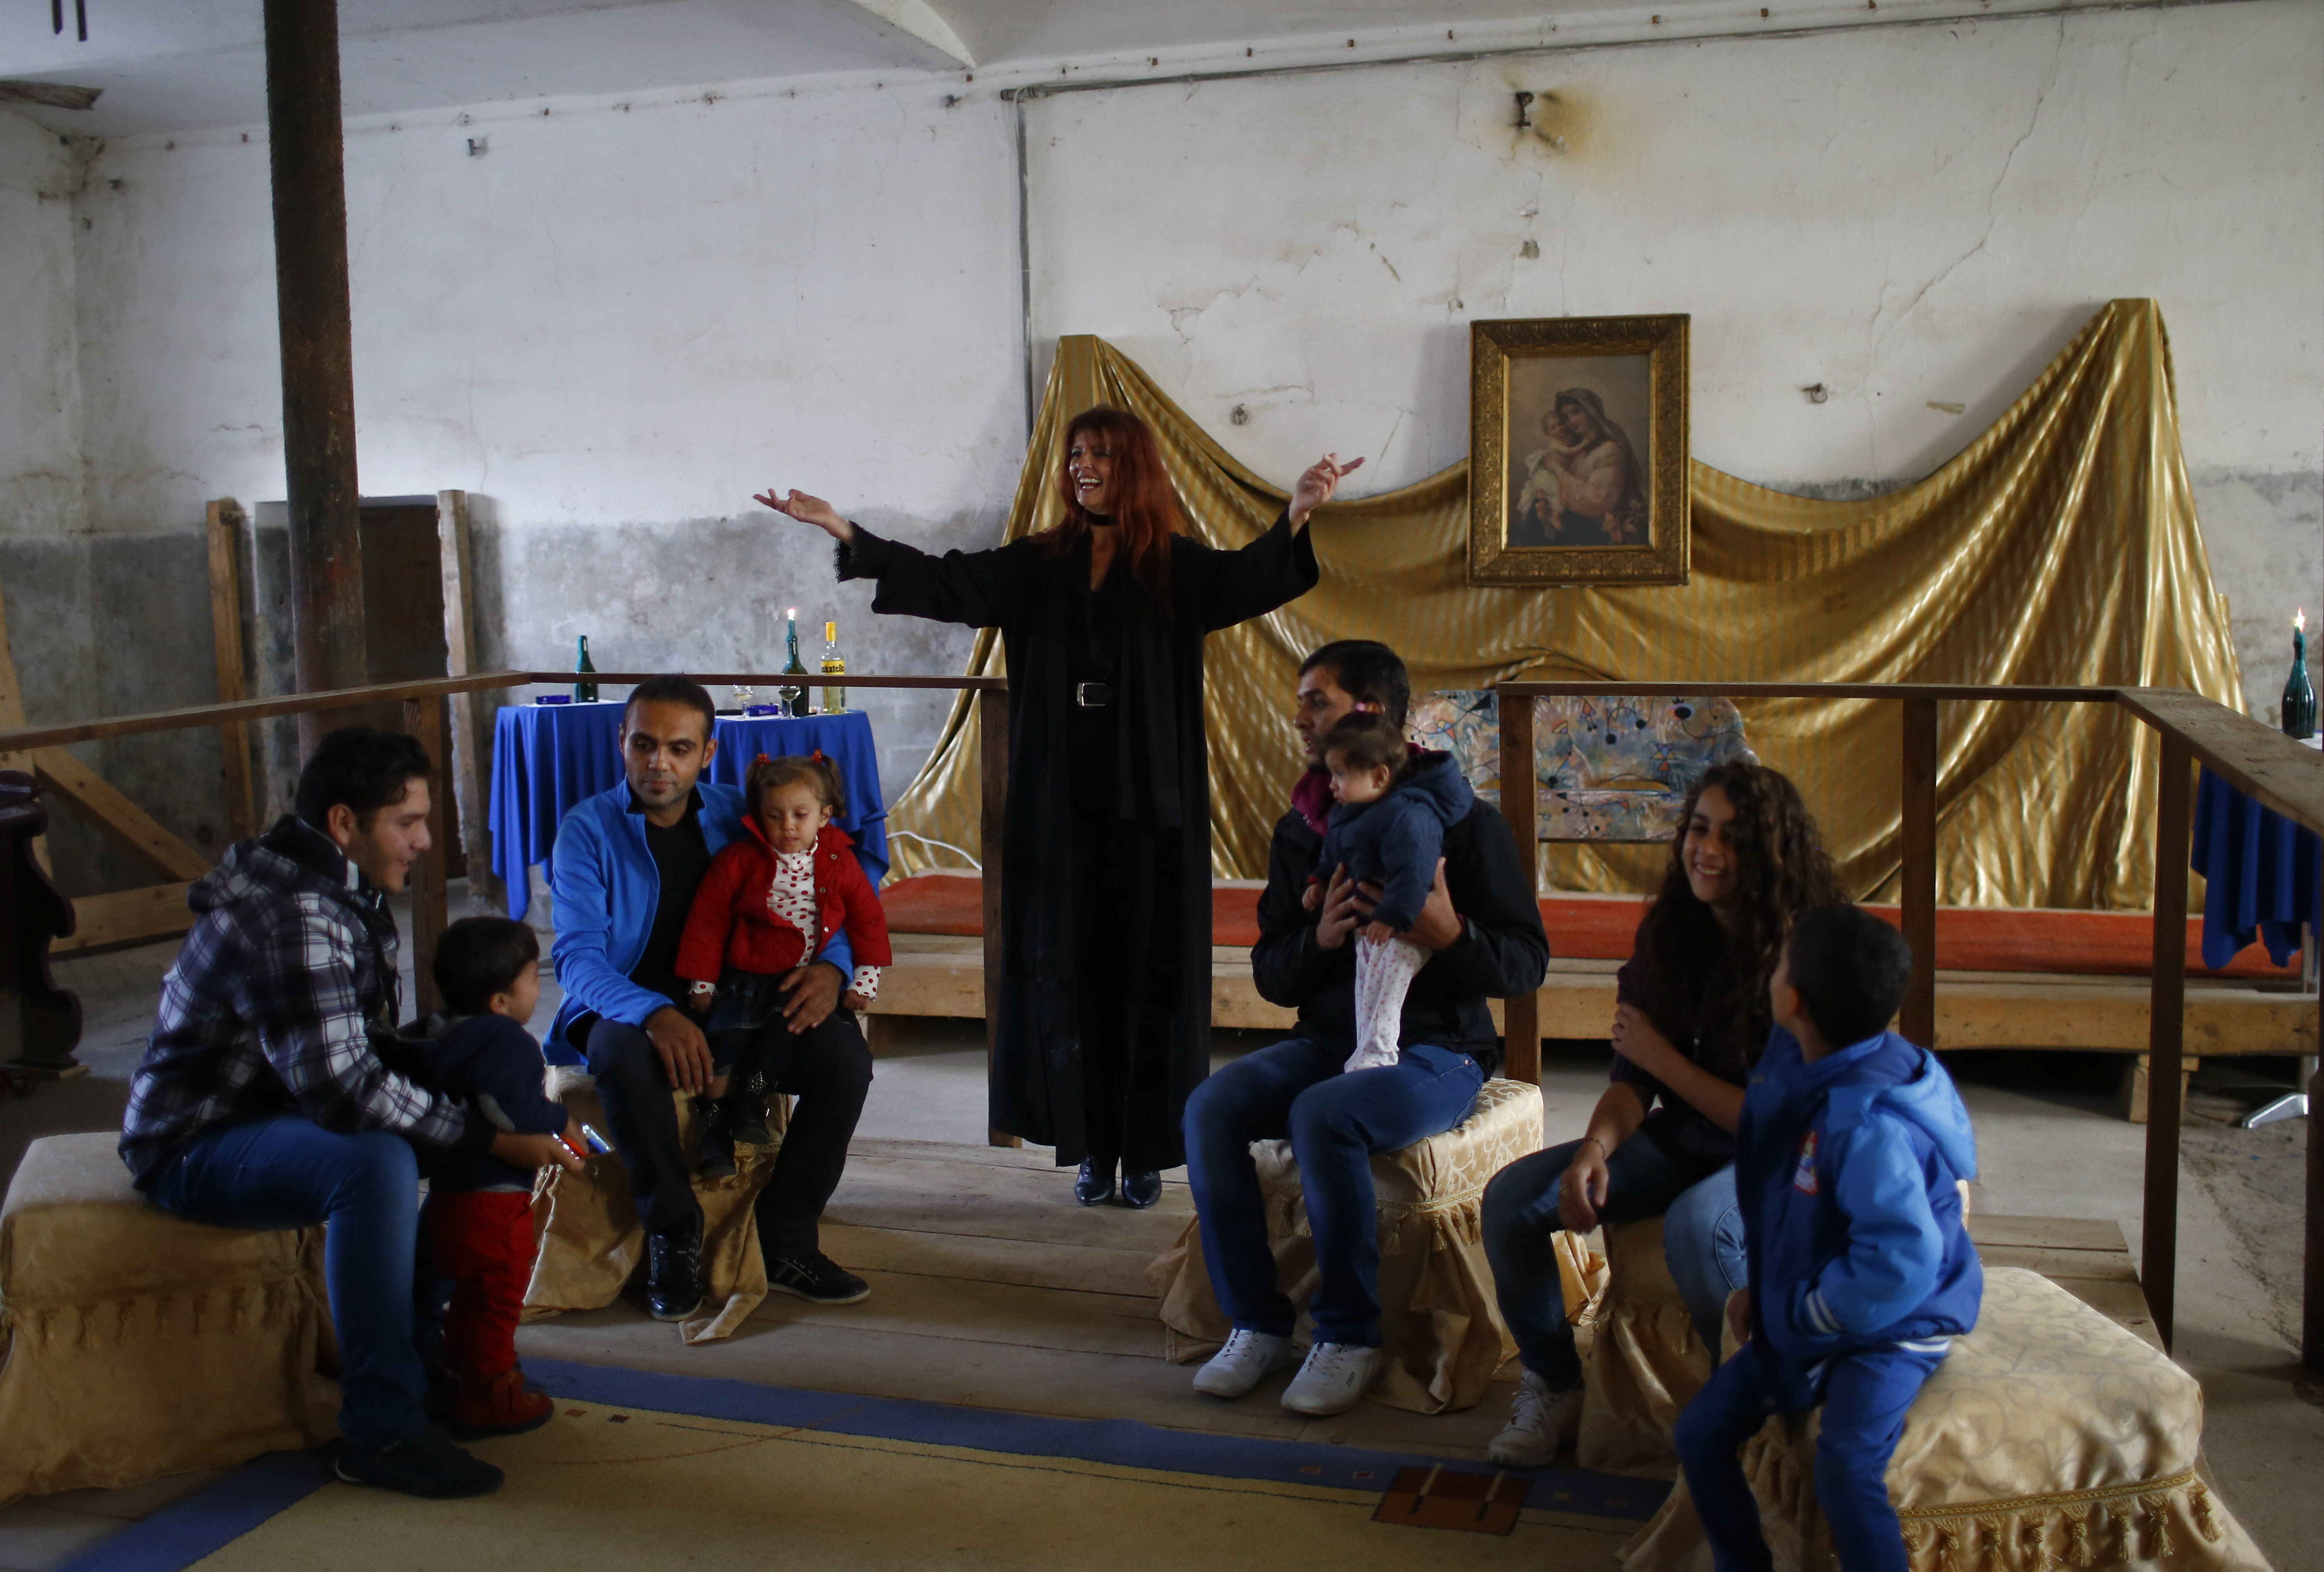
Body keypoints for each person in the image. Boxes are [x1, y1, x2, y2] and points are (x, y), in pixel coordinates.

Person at [756, 408, 1359, 1209]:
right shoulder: (1038, 564)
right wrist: (844, 531)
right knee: (1069, 975)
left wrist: (1296, 513)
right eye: (1076, 455)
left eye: (1100, 454)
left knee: (1146, 974)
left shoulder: (1174, 567)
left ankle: (1144, 1149)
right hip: (1059, 802)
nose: (1083, 466)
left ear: (1133, 467)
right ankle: (1090, 1148)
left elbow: (1253, 575)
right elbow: (945, 579)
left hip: (1150, 804)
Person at [119, 727, 581, 1499]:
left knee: (446, 1122)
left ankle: (440, 1356)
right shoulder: (294, 911)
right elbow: (346, 1090)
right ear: (343, 824)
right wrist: (491, 1134)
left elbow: (363, 1052)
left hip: (272, 1111)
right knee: (379, 1162)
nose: (426, 840)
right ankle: (382, 1429)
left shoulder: (335, 887)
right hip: (195, 1144)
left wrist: (476, 1102)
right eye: (408, 822)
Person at [1182, 641, 1548, 1416]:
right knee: (1212, 1106)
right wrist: (1317, 941)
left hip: (1439, 1049)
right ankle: (1255, 1321)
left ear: (1369, 711)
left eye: (1315, 700)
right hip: (1329, 1038)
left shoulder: (1463, 824)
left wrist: (1451, 933)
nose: (1298, 716)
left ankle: (1348, 1335)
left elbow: (1525, 965)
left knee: (1326, 1110)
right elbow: (1272, 974)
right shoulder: (1304, 827)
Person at [1479, 759, 1845, 1467]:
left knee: (1700, 1227)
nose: (1707, 850)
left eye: (1733, 837)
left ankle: (1755, 1418)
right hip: (1682, 1138)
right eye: (1699, 829)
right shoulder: (1671, 930)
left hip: (1777, 1157)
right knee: (1511, 1199)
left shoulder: (1806, 953)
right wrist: (1594, 1149)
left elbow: (1769, 1121)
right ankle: (1557, 1383)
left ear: (1774, 851)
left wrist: (1662, 1058)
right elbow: (1630, 1079)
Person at [545, 676, 873, 1315]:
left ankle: (787, 1235)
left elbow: (830, 897)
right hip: (624, 1006)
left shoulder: (742, 816)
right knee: (618, 1049)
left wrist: (832, 968)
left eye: (678, 747)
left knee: (843, 1058)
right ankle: (674, 1231)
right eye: (643, 744)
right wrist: (654, 1010)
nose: (658, 762)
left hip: (738, 1006)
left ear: (708, 753)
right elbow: (576, 957)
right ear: (621, 742)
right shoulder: (587, 829)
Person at [1673, 905, 1980, 1572]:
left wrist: (1808, 1311)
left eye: (1780, 960)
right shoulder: (1817, 1058)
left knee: (1845, 1467)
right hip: (1814, 1298)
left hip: (1891, 1324)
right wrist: (1769, 1287)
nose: (1771, 969)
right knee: (1700, 1432)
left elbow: (1902, 1261)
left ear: (1794, 999)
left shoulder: (1864, 1122)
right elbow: (1792, 1205)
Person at [392, 916, 579, 1439]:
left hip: (444, 1200)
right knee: (494, 1298)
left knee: (437, 1293)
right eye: (532, 978)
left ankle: (439, 1375)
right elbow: (510, 1112)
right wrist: (560, 1119)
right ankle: (488, 1394)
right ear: (501, 1001)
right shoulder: (507, 1042)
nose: (538, 986)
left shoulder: (435, 1034)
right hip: (493, 1205)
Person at [674, 751, 890, 1177]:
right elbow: (708, 920)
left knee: (774, 1048)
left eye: (800, 814)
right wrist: (701, 980)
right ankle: (713, 1132)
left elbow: (867, 920)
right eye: (774, 816)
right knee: (724, 1051)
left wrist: (866, 977)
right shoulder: (739, 859)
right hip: (744, 976)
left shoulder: (838, 862)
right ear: (759, 815)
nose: (787, 826)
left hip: (795, 980)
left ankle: (752, 1108)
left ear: (825, 815)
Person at [1302, 711, 1475, 1073]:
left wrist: (1391, 917)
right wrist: (1319, 883)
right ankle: (1364, 1049)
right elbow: (1335, 853)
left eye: (1341, 774)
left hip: (1408, 927)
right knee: (1366, 985)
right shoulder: (1350, 812)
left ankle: (1381, 1052)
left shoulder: (1409, 816)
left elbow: (1413, 873)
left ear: (1380, 776)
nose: (1332, 785)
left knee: (1386, 990)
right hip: (1372, 924)